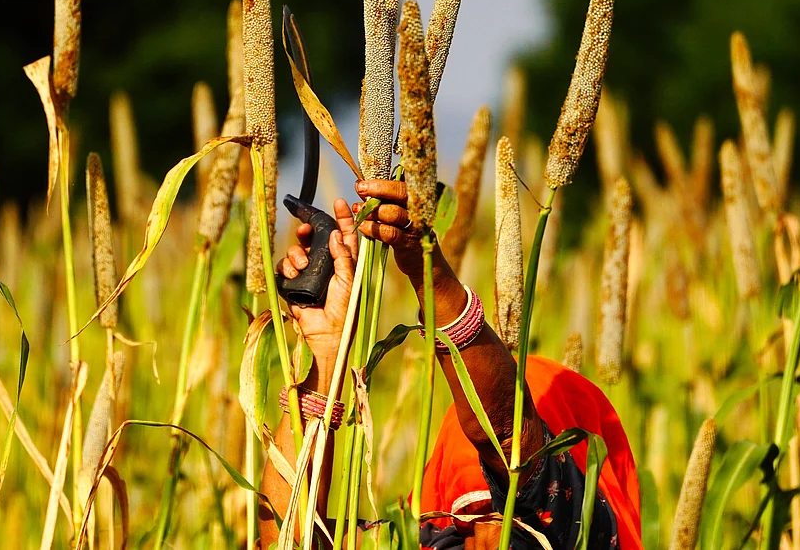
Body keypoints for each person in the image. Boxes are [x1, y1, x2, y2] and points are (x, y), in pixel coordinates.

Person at [259, 179, 642, 550]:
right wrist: (328, 350)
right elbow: (287, 539)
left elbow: (505, 437)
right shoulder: (430, 539)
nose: (485, 519)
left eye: (510, 491)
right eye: (473, 490)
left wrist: (433, 275)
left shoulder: (577, 533)